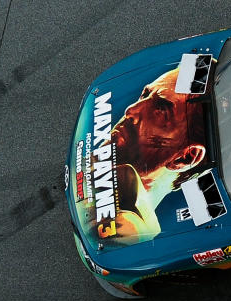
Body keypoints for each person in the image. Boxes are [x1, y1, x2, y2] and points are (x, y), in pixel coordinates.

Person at [88, 68, 208, 246]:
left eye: (160, 109)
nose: (131, 111)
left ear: (185, 157)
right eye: (144, 95)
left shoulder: (128, 231)